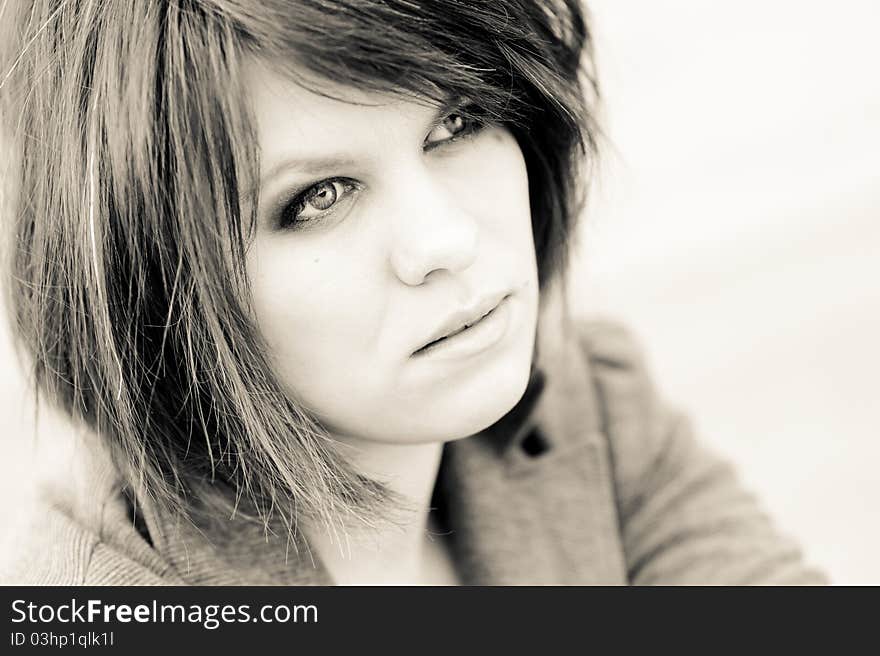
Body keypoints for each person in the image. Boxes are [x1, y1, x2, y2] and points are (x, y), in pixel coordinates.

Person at [0, 0, 825, 585]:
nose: (445, 240)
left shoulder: (586, 405)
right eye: (317, 197)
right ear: (147, 287)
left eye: (460, 122)